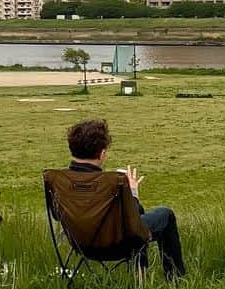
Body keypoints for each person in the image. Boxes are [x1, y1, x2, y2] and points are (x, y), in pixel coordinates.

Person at [66, 118, 186, 279]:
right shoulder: (110, 183)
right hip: (116, 246)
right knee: (166, 214)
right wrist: (133, 192)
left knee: (140, 213)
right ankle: (174, 280)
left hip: (79, 243)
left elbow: (56, 214)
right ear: (102, 154)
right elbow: (131, 220)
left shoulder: (59, 181)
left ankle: (141, 275)